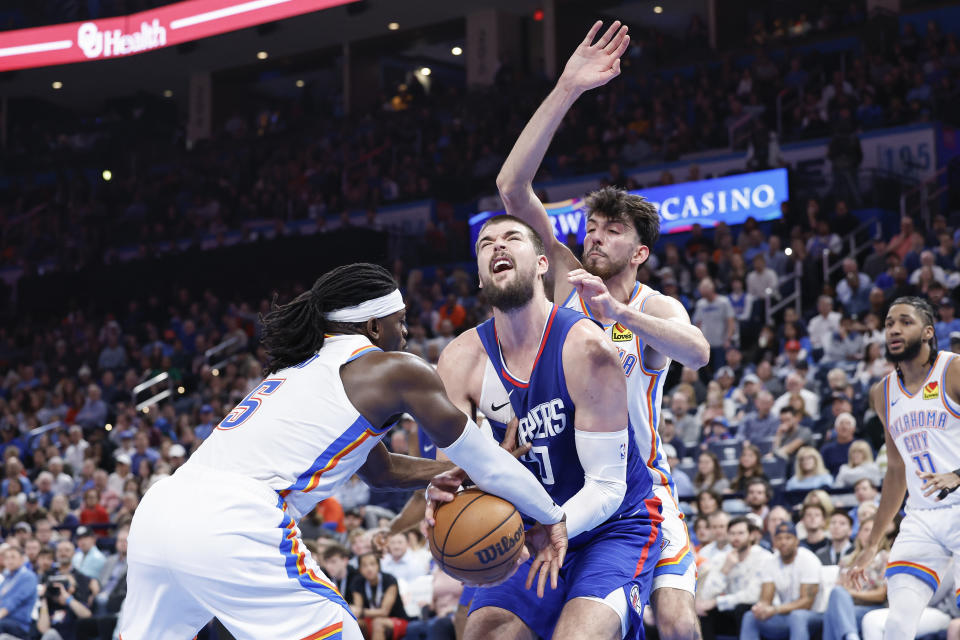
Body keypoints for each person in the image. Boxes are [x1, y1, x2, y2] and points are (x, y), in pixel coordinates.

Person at [120, 263, 568, 640]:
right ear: (374, 326)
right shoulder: (394, 369)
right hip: (231, 520)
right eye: (401, 321)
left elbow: (381, 471)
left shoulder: (300, 370)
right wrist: (551, 516)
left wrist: (451, 473)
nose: (407, 333)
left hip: (160, 510)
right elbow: (485, 459)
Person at [493, 19, 710, 640]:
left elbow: (697, 352)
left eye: (614, 229)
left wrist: (622, 318)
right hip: (567, 483)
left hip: (641, 489)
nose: (596, 236)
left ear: (640, 251)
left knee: (676, 620)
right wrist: (567, 87)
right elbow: (512, 187)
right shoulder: (562, 276)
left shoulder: (653, 306)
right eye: (593, 226)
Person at [434, 214, 662, 640]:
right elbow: (452, 479)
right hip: (529, 527)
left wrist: (552, 525)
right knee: (483, 633)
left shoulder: (587, 348)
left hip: (611, 524)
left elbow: (607, 487)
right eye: (486, 244)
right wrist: (454, 487)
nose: (497, 247)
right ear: (480, 279)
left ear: (542, 263)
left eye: (511, 238)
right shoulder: (458, 360)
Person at [851, 296, 960, 639]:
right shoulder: (882, 393)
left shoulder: (953, 370)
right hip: (922, 518)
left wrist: (957, 475)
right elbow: (896, 472)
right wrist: (871, 544)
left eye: (905, 321)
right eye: (888, 323)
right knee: (896, 625)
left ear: (928, 332)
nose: (894, 329)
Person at [740, 521, 823, 640]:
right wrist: (761, 608)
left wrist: (775, 609)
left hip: (814, 615)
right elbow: (766, 599)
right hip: (785, 615)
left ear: (797, 541)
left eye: (788, 538)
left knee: (797, 616)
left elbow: (807, 603)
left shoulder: (808, 559)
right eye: (779, 538)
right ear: (774, 542)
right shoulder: (770, 562)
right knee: (750, 616)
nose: (783, 542)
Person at [696, 517, 772, 640]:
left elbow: (753, 595)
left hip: (756, 612)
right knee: (703, 613)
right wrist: (725, 570)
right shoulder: (721, 558)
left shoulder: (764, 558)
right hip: (729, 610)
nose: (736, 538)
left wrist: (717, 602)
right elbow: (706, 594)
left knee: (742, 609)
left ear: (751, 536)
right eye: (732, 533)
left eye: (741, 533)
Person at [822, 516, 888, 640]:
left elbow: (880, 596)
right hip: (847, 607)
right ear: (858, 534)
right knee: (836, 600)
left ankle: (851, 636)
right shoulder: (846, 560)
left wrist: (851, 592)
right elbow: (840, 591)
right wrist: (848, 592)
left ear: (881, 535)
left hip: (874, 609)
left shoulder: (884, 558)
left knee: (832, 614)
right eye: (866, 530)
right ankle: (851, 636)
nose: (869, 534)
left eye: (873, 530)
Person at [349, 552, 409, 640]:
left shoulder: (389, 580)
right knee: (354, 623)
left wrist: (361, 611)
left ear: (378, 566)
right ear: (360, 569)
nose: (369, 569)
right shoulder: (357, 582)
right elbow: (357, 610)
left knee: (378, 623)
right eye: (364, 565)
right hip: (370, 619)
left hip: (395, 619)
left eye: (372, 564)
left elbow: (384, 612)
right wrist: (358, 611)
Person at [0, 545, 37, 638]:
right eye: (7, 558)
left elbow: (14, 601)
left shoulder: (28, 577)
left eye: (13, 557)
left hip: (19, 625)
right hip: (4, 620)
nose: (9, 560)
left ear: (22, 559)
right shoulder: (7, 578)